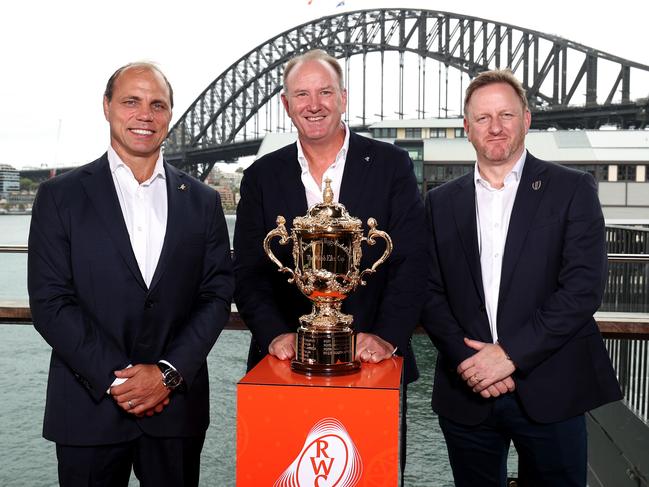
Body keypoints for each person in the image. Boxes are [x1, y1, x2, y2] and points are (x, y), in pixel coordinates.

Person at [27, 62, 234, 487]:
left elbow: (216, 295)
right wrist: (119, 381)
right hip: (89, 407)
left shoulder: (204, 201)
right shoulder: (59, 197)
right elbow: (50, 302)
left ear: (170, 116)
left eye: (158, 104)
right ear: (106, 107)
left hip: (175, 408)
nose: (145, 114)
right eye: (131, 101)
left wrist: (168, 374)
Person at [421, 68, 622, 486]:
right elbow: (427, 290)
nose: (495, 128)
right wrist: (471, 363)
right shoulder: (439, 203)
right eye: (483, 118)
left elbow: (583, 289)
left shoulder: (572, 189)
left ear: (526, 120)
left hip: (552, 389)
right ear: (467, 128)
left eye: (506, 115)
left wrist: (508, 355)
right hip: (467, 391)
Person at [233, 49, 427, 477]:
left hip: (373, 368)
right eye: (301, 94)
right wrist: (274, 336)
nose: (314, 104)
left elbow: (413, 263)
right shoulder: (261, 175)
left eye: (325, 92)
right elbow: (247, 272)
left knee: (368, 477)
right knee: (281, 474)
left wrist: (387, 338)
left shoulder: (392, 165)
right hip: (284, 367)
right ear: (286, 105)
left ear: (343, 97)